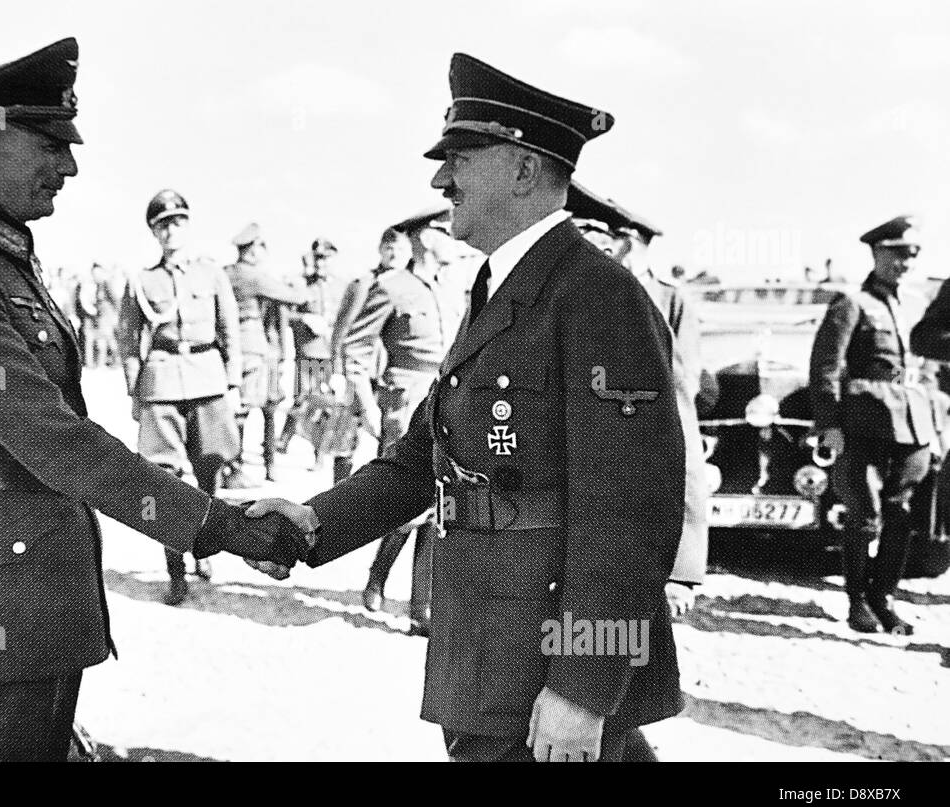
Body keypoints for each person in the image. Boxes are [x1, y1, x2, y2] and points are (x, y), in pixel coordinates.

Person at [0, 38, 309, 762]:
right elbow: (58, 441)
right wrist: (220, 526)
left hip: (20, 595)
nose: (69, 165)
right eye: (49, 144)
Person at [247, 53, 686, 762]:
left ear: (523, 171)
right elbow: (423, 460)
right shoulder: (502, 288)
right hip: (489, 643)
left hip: (546, 659)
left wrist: (582, 688)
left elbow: (632, 514)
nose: (439, 179)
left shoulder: (594, 293)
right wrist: (313, 523)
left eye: (459, 157)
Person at [567, 181, 708, 619]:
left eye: (595, 235)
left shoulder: (668, 298)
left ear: (626, 242)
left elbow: (684, 410)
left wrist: (682, 570)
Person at [116, 189, 247, 606]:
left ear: (187, 226)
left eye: (177, 222)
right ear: (154, 232)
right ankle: (175, 571)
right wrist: (135, 390)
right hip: (162, 381)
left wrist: (234, 381)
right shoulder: (142, 280)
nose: (171, 230)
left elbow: (230, 329)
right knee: (165, 480)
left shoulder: (211, 273)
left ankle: (203, 549)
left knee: (210, 471)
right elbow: (127, 337)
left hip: (207, 378)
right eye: (162, 224)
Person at [812, 215, 936, 635]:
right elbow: (826, 369)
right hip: (862, 426)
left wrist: (936, 420)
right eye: (898, 254)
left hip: (912, 427)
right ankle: (857, 601)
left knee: (901, 515)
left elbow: (926, 370)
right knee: (864, 516)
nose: (905, 263)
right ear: (876, 254)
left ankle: (884, 597)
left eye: (912, 255)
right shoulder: (852, 305)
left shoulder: (915, 306)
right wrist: (829, 425)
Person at [331, 227, 450, 635]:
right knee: (405, 496)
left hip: (444, 397)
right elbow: (356, 347)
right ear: (426, 241)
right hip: (404, 400)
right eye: (445, 233)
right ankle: (379, 576)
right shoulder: (391, 287)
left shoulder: (450, 287)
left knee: (438, 502)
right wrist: (363, 402)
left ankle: (422, 606)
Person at [223, 223, 307, 484]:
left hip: (228, 347)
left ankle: (239, 465)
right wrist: (298, 284)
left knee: (241, 408)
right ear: (254, 250)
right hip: (253, 347)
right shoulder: (255, 276)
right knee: (254, 408)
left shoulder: (225, 272)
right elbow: (295, 296)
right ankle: (238, 470)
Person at [277, 238, 346, 467]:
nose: (321, 263)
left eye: (325, 258)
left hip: (331, 354)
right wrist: (305, 318)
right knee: (301, 399)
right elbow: (286, 316)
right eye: (318, 258)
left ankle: (320, 453)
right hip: (307, 351)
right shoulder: (301, 285)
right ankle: (283, 441)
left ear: (334, 259)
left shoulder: (342, 286)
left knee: (327, 404)